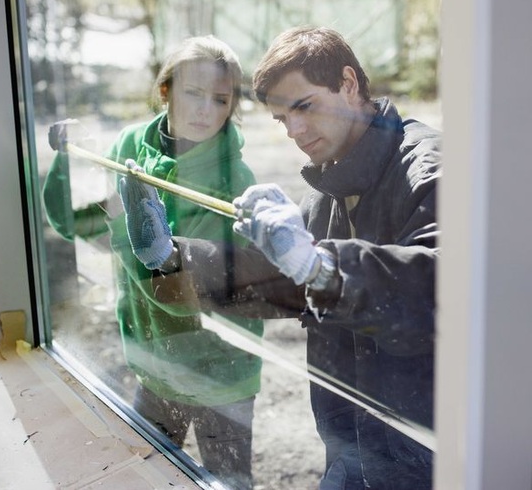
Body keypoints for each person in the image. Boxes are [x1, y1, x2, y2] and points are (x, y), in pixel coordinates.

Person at [120, 26, 441, 489]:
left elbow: (438, 292)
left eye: (304, 106)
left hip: (431, 463)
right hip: (352, 456)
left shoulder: (427, 169)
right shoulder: (330, 192)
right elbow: (275, 281)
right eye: (281, 119)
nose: (294, 131)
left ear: (348, 83)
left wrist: (324, 269)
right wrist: (172, 257)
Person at [43, 35, 263, 490]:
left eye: (220, 100)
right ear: (165, 91)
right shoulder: (130, 145)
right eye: (193, 93)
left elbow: (180, 298)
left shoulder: (233, 181)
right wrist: (67, 161)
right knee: (142, 479)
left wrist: (125, 225)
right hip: (154, 364)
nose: (206, 110)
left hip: (221, 376)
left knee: (228, 483)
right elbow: (73, 224)